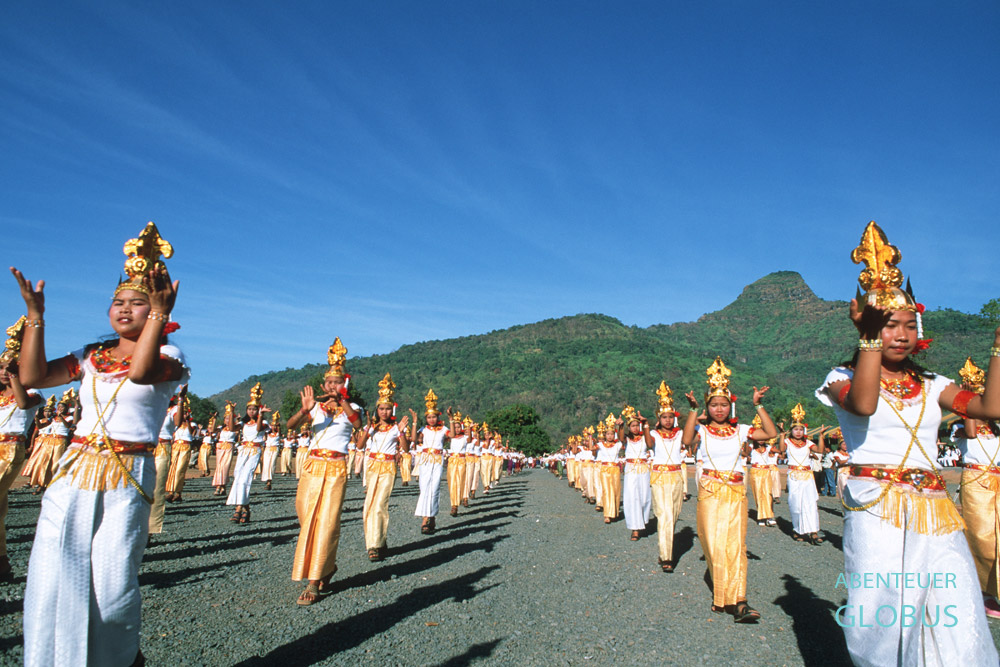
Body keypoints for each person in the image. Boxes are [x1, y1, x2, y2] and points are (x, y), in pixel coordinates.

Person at [815, 221, 1000, 665]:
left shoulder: (935, 384)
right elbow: (863, 404)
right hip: (876, 506)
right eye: (888, 325)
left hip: (934, 510)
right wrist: (868, 340)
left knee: (953, 608)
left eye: (907, 325)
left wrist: (998, 350)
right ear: (868, 328)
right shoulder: (841, 378)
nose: (900, 334)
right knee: (880, 613)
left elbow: (990, 409)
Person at [14, 222, 187, 666]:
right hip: (73, 471)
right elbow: (33, 378)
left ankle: (123, 660)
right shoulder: (91, 355)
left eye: (138, 302)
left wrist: (159, 319)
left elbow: (139, 373)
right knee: (52, 576)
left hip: (127, 476)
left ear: (158, 309)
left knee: (111, 588)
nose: (124, 309)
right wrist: (37, 316)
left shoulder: (171, 357)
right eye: (118, 301)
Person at [683, 356, 777, 623]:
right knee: (713, 546)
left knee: (735, 546)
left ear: (731, 406)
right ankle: (721, 594)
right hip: (710, 493)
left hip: (736, 492)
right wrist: (693, 411)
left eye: (724, 404)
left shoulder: (742, 430)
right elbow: (687, 439)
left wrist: (758, 405)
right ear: (708, 406)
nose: (720, 409)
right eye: (714, 404)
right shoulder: (702, 430)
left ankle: (740, 602)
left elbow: (770, 433)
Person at [285, 337, 360, 606]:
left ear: (345, 384)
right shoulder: (314, 408)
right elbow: (290, 426)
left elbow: (358, 424)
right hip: (312, 467)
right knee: (308, 520)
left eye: (337, 382)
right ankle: (327, 566)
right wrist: (303, 410)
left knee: (326, 523)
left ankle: (314, 581)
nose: (332, 386)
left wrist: (343, 401)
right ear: (322, 385)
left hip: (336, 467)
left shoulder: (352, 408)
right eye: (329, 382)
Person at [954, 357, 1000, 618]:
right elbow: (971, 433)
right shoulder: (960, 426)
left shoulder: (996, 430)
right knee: (981, 536)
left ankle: (996, 589)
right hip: (975, 482)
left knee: (999, 539)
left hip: (998, 481)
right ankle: (982, 592)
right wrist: (968, 396)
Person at [0, 318, 44, 577]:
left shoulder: (33, 391)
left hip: (10, 450)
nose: (5, 372)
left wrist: (16, 375)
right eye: (2, 367)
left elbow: (23, 404)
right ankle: (3, 562)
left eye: (10, 367)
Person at [357, 373, 409, 561]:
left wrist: (402, 433)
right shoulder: (373, 427)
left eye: (387, 409)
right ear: (377, 409)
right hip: (372, 466)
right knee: (368, 505)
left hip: (388, 467)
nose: (384, 412)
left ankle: (375, 546)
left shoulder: (396, 428)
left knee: (380, 505)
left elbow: (405, 448)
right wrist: (368, 427)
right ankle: (377, 542)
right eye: (381, 409)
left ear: (392, 410)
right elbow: (360, 446)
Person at [647, 382, 686, 571]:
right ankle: (666, 557)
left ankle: (666, 548)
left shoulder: (680, 434)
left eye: (671, 417)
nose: (668, 420)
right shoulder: (654, 434)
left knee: (674, 514)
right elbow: (648, 443)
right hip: (660, 476)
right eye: (664, 417)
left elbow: (694, 437)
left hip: (677, 476)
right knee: (664, 516)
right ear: (659, 418)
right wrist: (646, 428)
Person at [777, 403, 822, 544]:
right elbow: (781, 449)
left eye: (801, 430)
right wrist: (782, 433)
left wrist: (821, 436)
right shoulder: (787, 441)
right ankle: (798, 530)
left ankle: (813, 531)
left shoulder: (808, 443)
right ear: (792, 431)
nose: (798, 432)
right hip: (794, 475)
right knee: (796, 504)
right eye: (796, 429)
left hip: (807, 476)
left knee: (810, 504)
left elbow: (820, 451)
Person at [227, 383, 268, 523]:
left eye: (254, 409)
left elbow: (258, 429)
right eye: (249, 409)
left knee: (245, 478)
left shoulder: (264, 422)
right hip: (243, 451)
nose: (251, 411)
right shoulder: (244, 423)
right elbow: (231, 429)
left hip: (255, 451)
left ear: (258, 410)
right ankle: (246, 509)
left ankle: (238, 509)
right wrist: (232, 412)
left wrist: (261, 415)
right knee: (238, 477)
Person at [411, 389, 449, 534]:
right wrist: (414, 423)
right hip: (425, 460)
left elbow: (451, 434)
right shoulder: (423, 429)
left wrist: (451, 419)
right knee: (424, 487)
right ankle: (426, 518)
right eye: (429, 417)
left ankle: (430, 517)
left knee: (434, 488)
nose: (431, 420)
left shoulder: (443, 429)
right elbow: (414, 440)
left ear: (438, 417)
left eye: (434, 417)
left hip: (437, 460)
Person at [617, 406, 652, 541]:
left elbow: (649, 444)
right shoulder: (626, 439)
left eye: (637, 425)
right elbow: (620, 438)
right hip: (631, 469)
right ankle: (634, 528)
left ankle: (642, 521)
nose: (635, 428)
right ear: (628, 427)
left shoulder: (644, 437)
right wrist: (620, 427)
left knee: (644, 497)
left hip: (643, 469)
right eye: (632, 426)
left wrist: (646, 424)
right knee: (632, 497)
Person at [747, 417, 776, 528]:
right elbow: (744, 454)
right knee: (759, 494)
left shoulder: (769, 448)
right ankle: (761, 517)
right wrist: (746, 441)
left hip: (766, 471)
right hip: (755, 471)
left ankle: (769, 516)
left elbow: (781, 452)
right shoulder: (750, 447)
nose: (761, 439)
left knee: (768, 493)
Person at [165, 392, 192, 503]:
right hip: (176, 446)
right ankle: (171, 492)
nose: (184, 414)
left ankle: (178, 492)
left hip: (185, 446)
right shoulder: (175, 424)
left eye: (186, 413)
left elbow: (192, 432)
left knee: (180, 469)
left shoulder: (191, 425)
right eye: (183, 412)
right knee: (173, 468)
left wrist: (188, 421)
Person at [596, 413, 622, 523]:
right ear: (605, 435)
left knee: (615, 491)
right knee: (606, 490)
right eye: (608, 434)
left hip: (615, 470)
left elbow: (622, 438)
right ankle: (607, 514)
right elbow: (592, 448)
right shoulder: (601, 445)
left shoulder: (618, 445)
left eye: (612, 434)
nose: (610, 436)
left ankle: (614, 512)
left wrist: (620, 426)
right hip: (605, 469)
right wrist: (590, 436)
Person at [446, 409, 467, 516]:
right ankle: (453, 505)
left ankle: (457, 503)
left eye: (459, 427)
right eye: (455, 427)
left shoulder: (465, 438)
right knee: (452, 482)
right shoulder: (451, 438)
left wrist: (470, 427)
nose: (457, 429)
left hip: (462, 461)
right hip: (452, 461)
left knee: (459, 481)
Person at [212, 402, 237, 495]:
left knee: (225, 467)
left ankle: (220, 486)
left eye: (229, 419)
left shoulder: (235, 427)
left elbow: (232, 429)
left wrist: (232, 413)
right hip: (220, 448)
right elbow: (212, 430)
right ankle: (222, 487)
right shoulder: (221, 428)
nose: (227, 420)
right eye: (226, 419)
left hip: (229, 447)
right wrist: (214, 419)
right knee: (219, 467)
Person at [261, 411, 280, 490]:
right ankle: (267, 480)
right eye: (272, 425)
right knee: (266, 464)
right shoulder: (267, 433)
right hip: (268, 449)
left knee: (272, 465)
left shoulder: (278, 433)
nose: (273, 427)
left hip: (275, 449)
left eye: (275, 426)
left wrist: (276, 422)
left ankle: (270, 481)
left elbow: (279, 429)